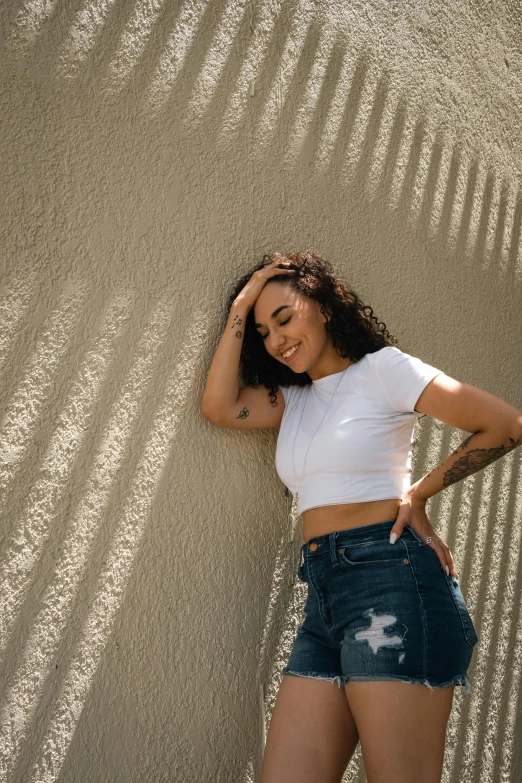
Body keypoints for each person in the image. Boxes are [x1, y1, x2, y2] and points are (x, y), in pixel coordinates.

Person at [200, 249, 522, 783]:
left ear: (325, 307)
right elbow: (217, 406)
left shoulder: (384, 370)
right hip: (325, 594)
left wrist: (418, 494)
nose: (277, 340)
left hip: (392, 584)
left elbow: (505, 425)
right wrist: (241, 307)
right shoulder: (292, 398)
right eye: (263, 331)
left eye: (285, 317)